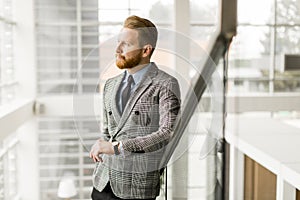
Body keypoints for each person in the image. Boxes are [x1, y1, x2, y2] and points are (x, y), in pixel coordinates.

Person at [89, 15, 181, 200]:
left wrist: (117, 147)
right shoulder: (109, 85)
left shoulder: (166, 84)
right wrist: (101, 144)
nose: (117, 49)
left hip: (136, 189)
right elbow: (108, 132)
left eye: (126, 44)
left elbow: (166, 133)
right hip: (102, 182)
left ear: (146, 50)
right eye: (118, 42)